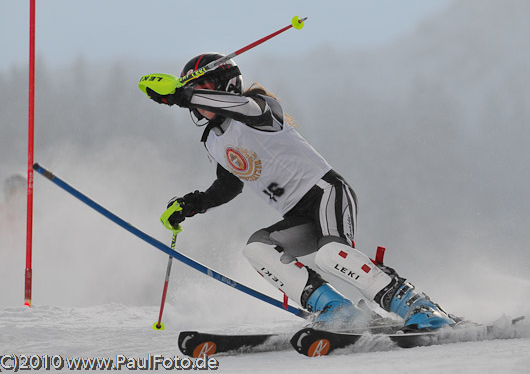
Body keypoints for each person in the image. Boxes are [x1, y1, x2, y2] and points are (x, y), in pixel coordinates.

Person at [143, 53, 455, 331]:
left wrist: (185, 94)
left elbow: (249, 110)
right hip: (296, 214)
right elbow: (229, 185)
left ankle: (416, 305)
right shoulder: (215, 140)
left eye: (204, 91)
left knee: (332, 255)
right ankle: (338, 311)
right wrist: (191, 204)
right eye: (195, 97)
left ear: (226, 86)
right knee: (257, 248)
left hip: (325, 193)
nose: (199, 103)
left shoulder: (262, 108)